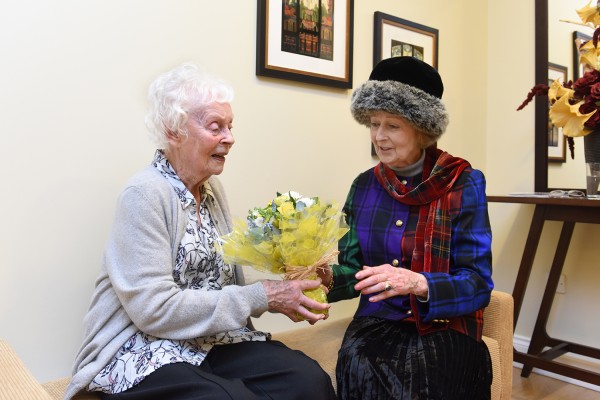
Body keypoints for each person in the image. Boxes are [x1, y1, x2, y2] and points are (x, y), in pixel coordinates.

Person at [65, 63, 336, 400]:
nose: (230, 138)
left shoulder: (211, 190)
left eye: (230, 126)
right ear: (174, 130)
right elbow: (154, 310)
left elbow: (220, 286)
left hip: (211, 339)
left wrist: (291, 286)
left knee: (306, 380)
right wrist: (263, 296)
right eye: (215, 127)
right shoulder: (144, 194)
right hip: (144, 347)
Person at [318, 56, 494, 400]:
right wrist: (322, 279)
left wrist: (418, 282)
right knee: (362, 365)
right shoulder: (363, 186)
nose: (378, 137)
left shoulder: (464, 183)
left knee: (429, 375)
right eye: (373, 123)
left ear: (423, 129)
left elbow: (478, 284)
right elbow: (354, 271)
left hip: (444, 324)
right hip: (377, 324)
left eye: (392, 126)